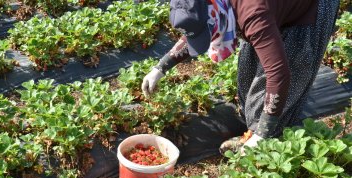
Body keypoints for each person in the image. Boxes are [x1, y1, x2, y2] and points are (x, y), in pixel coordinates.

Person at [141, 0, 340, 153]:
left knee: (291, 67)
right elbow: (201, 25)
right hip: (268, 9)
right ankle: (251, 134)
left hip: (309, 9)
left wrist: (262, 133)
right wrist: (161, 67)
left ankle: (270, 143)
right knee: (246, 73)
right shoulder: (216, 8)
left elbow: (279, 74)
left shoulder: (252, 13)